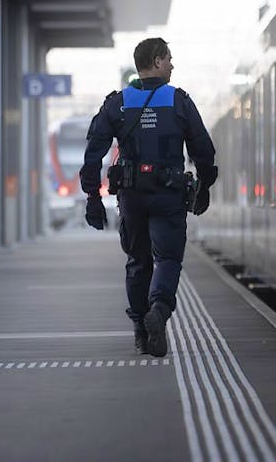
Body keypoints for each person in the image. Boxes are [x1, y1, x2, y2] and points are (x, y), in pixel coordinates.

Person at [80, 38, 217, 357]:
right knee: (167, 259)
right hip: (168, 195)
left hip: (131, 197)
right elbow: (203, 150)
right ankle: (159, 309)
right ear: (156, 61)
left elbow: (94, 153)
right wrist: (205, 185)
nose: (172, 64)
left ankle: (141, 332)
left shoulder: (117, 103)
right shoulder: (179, 101)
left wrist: (92, 196)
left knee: (137, 262)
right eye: (168, 59)